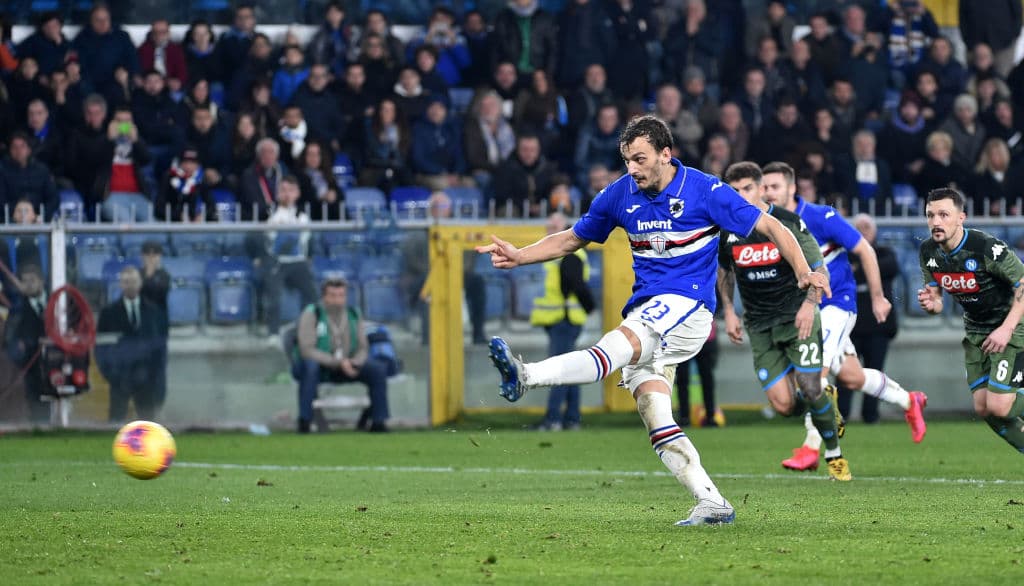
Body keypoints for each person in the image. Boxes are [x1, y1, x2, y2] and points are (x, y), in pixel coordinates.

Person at [476, 115, 830, 526]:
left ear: (666, 154)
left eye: (640, 159)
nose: (632, 168)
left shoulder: (705, 190)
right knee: (655, 413)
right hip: (650, 310)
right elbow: (573, 238)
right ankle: (712, 502)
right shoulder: (620, 194)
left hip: (689, 308)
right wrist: (520, 255)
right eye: (627, 159)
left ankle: (526, 376)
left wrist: (804, 271)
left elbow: (771, 225)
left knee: (612, 347)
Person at [760, 161, 927, 472]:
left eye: (774, 186)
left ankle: (811, 448)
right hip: (809, 308)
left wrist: (878, 297)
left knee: (813, 372)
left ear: (791, 188)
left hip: (837, 304)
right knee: (853, 376)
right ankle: (910, 401)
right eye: (764, 187)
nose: (768, 192)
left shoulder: (820, 217)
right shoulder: (767, 224)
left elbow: (865, 250)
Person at [717, 162, 848, 481]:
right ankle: (822, 400)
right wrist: (730, 312)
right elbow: (725, 271)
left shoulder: (788, 222)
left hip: (796, 319)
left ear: (761, 189)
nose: (740, 195)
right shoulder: (727, 230)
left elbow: (819, 268)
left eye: (746, 188)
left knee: (809, 388)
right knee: (784, 405)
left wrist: (808, 305)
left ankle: (834, 457)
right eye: (733, 191)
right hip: (760, 326)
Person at [918, 187, 1024, 455]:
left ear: (961, 217)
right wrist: (933, 305)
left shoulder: (986, 247)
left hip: (1011, 324)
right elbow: (937, 299)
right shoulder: (928, 252)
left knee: (999, 405)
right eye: (931, 215)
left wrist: (1006, 329)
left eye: (944, 214)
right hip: (977, 331)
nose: (936, 222)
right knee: (983, 408)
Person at [293, 278, 390, 433]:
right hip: (319, 367)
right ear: (324, 296)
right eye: (333, 295)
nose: (337, 300)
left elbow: (363, 346)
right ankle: (305, 421)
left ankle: (378, 422)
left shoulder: (353, 314)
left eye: (341, 295)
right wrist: (338, 362)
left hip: (347, 366)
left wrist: (355, 362)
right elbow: (307, 350)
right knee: (310, 366)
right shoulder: (312, 313)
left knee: (377, 369)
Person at [531, 212, 596, 431]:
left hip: (564, 320)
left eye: (552, 227)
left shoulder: (569, 255)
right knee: (569, 370)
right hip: (560, 320)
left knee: (559, 370)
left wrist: (589, 306)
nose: (548, 230)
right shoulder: (562, 255)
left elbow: (577, 286)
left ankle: (553, 419)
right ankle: (571, 418)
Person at [247, 175, 317, 343]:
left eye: (291, 190)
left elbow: (309, 240)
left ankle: (306, 330)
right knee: (274, 295)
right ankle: (273, 333)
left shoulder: (303, 217)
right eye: (283, 190)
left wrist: (309, 257)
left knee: (312, 295)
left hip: (298, 262)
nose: (287, 194)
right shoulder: (269, 214)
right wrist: (258, 257)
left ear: (297, 193)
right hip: (276, 262)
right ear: (277, 193)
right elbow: (251, 237)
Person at [844, 214, 899, 423]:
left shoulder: (885, 252)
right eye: (859, 227)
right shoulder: (844, 255)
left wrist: (860, 268)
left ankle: (871, 415)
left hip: (878, 328)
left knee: (875, 373)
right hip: (850, 329)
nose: (863, 230)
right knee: (845, 375)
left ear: (875, 231)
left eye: (867, 226)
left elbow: (890, 267)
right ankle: (842, 414)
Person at [96, 266, 164, 422]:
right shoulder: (108, 313)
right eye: (126, 282)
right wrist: (111, 375)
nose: (130, 285)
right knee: (116, 422)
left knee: (148, 425)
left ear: (140, 283)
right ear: (120, 284)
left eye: (133, 281)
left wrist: (154, 374)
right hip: (120, 378)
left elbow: (159, 346)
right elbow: (101, 348)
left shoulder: (153, 312)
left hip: (146, 378)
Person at [3, 264, 49, 423]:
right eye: (24, 281)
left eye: (32, 280)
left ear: (41, 282)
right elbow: (10, 339)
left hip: (56, 363)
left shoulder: (59, 301)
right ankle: (40, 430)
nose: (28, 285)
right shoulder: (17, 309)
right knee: (35, 402)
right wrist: (29, 344)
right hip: (31, 367)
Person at [140, 241, 170, 414]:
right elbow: (137, 292)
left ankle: (157, 405)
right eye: (148, 254)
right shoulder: (136, 275)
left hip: (159, 332)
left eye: (155, 254)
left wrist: (149, 276)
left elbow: (159, 291)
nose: (151, 258)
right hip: (140, 333)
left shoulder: (164, 275)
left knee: (159, 372)